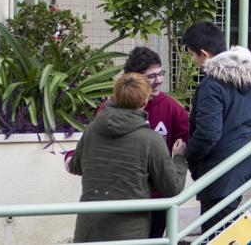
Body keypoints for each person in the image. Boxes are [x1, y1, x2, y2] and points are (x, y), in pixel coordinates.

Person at [65, 46, 190, 239]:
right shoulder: (149, 138)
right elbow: (173, 186)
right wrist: (178, 159)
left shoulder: (95, 127)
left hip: (136, 207)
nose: (158, 81)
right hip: (129, 216)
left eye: (160, 74)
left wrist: (72, 158)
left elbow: (77, 164)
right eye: (151, 76)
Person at [182, 21, 251, 233]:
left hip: (219, 171)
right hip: (240, 166)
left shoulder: (212, 84)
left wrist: (188, 153)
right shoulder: (248, 80)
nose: (192, 60)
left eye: (192, 55)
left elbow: (208, 132)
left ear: (204, 54)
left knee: (215, 233)